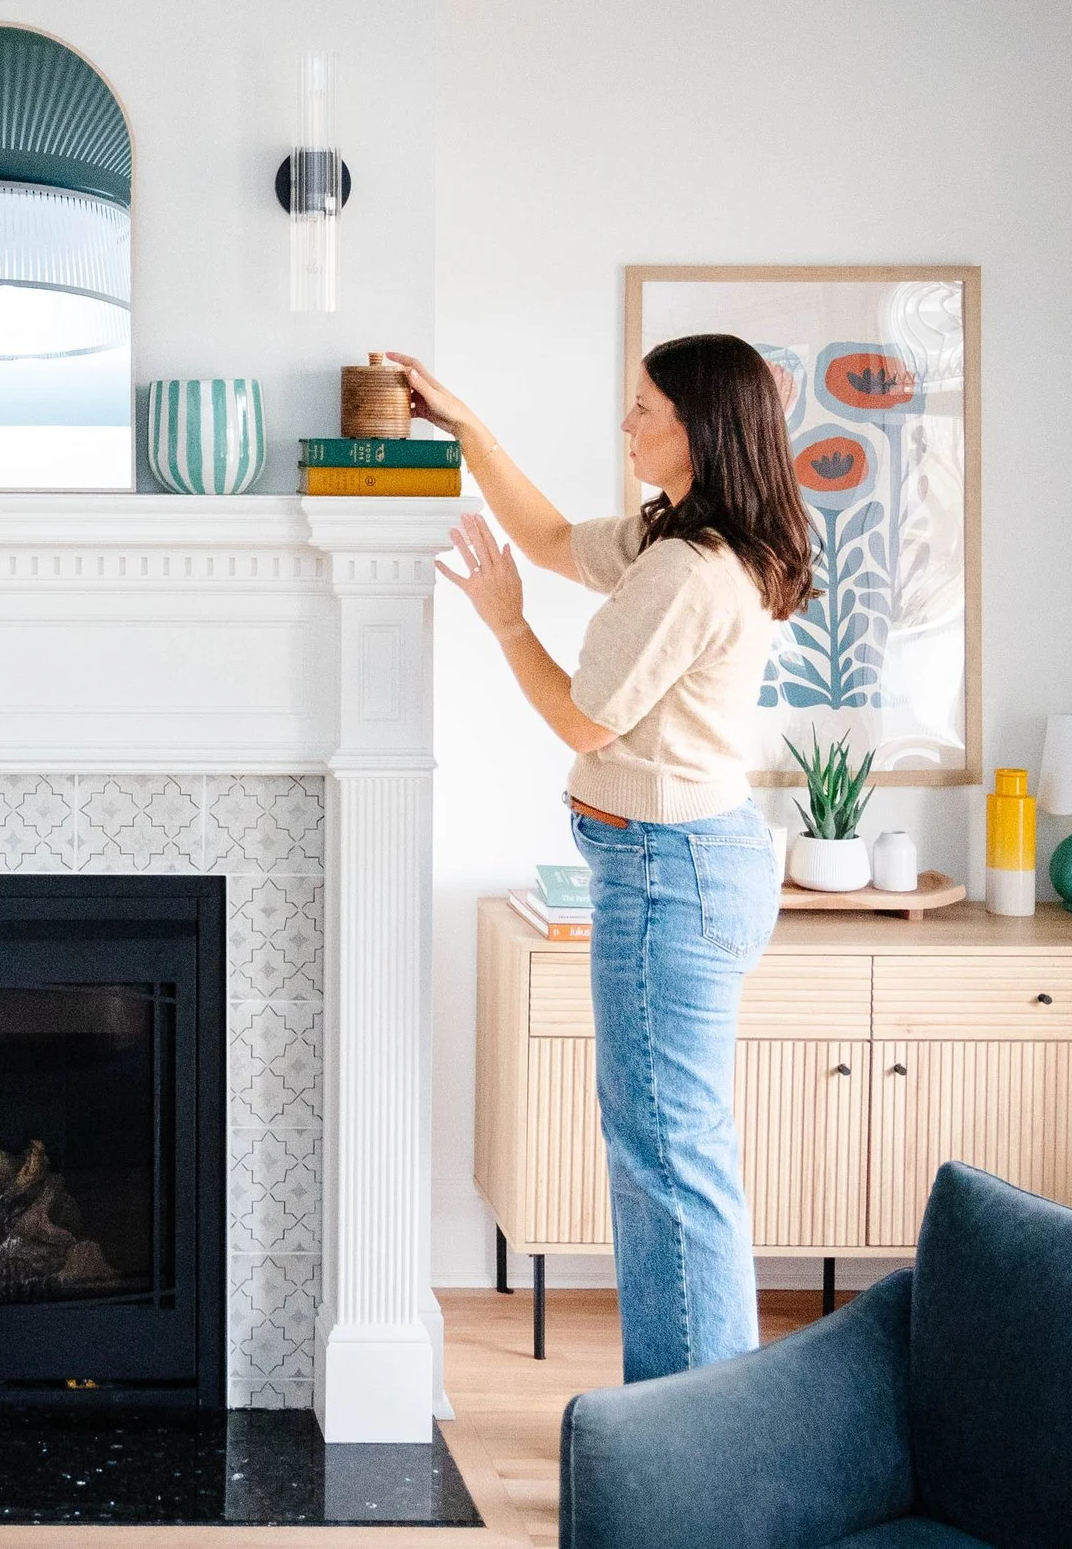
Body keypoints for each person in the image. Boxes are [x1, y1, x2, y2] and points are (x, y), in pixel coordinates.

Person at [395, 336, 816, 1381]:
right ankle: (698, 1419)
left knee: (668, 1158)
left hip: (668, 872)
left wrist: (502, 623)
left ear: (698, 429)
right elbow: (543, 536)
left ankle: (691, 1434)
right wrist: (468, 428)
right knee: (675, 1149)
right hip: (689, 862)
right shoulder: (691, 535)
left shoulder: (687, 569)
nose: (627, 425)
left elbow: (585, 720)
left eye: (644, 409)